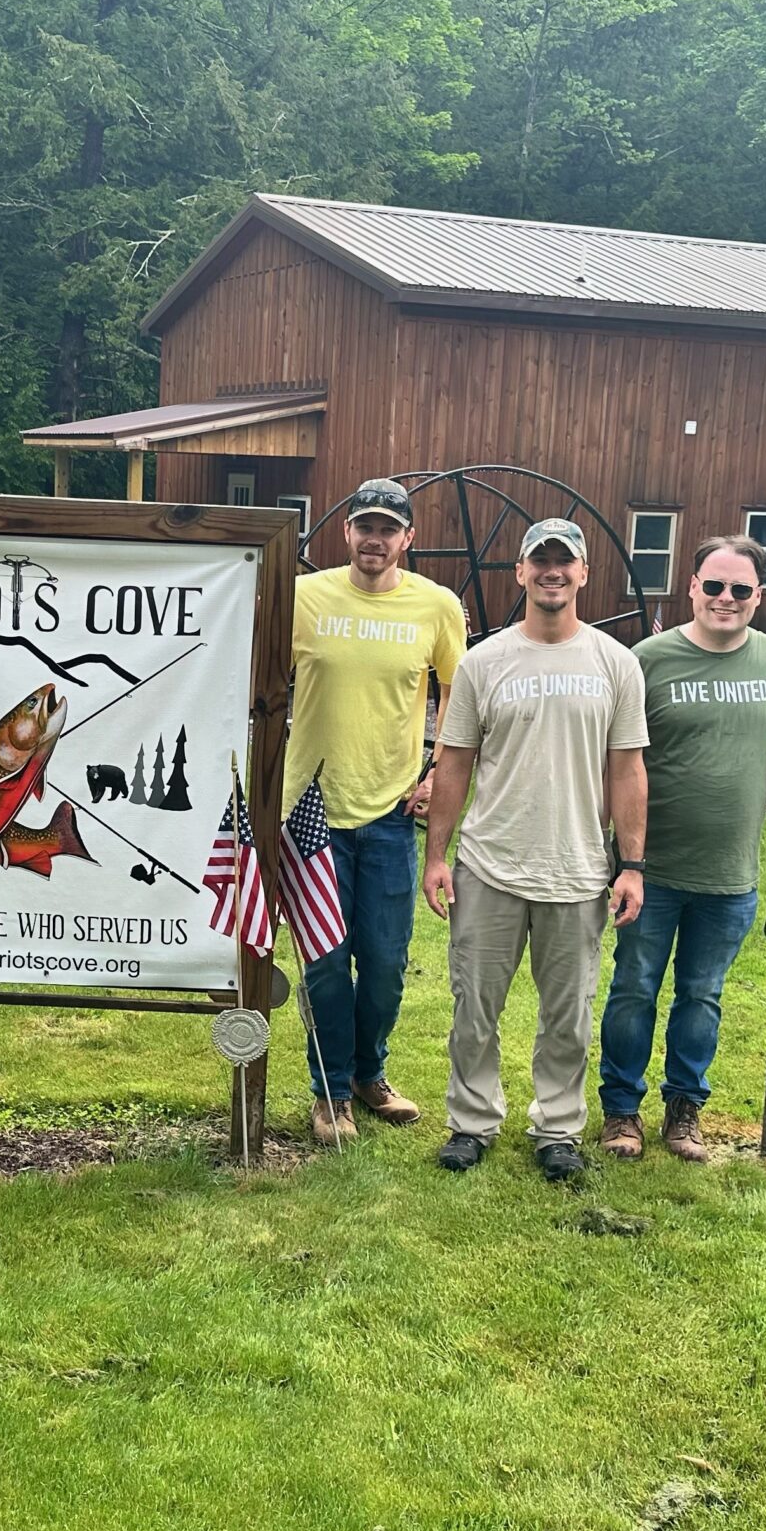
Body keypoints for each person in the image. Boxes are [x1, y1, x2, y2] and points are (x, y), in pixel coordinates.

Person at [598, 535, 766, 1161]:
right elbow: (613, 761)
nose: (725, 599)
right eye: (714, 585)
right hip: (649, 868)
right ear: (693, 587)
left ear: (758, 597)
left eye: (740, 589)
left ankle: (685, 1111)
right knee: (633, 988)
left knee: (701, 996)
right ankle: (621, 1111)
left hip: (730, 872)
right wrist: (622, 856)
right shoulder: (648, 659)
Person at [421, 518, 648, 1182]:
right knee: (475, 1007)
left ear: (583, 573)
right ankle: (471, 1121)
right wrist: (437, 857)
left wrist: (631, 865)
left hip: (577, 870)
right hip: (490, 864)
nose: (552, 571)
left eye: (564, 561)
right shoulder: (483, 662)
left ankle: (558, 1128)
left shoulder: (616, 664)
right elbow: (454, 763)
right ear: (519, 573)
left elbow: (628, 770)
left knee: (568, 1015)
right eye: (539, 560)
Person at [283, 477, 465, 1145]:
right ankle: (329, 1092)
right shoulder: (305, 598)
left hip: (389, 813)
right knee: (326, 960)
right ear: (347, 532)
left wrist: (436, 768)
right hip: (310, 812)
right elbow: (260, 675)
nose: (375, 539)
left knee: (385, 962)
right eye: (365, 526)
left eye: (389, 529)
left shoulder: (436, 606)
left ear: (408, 539)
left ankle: (369, 1073)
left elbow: (459, 696)